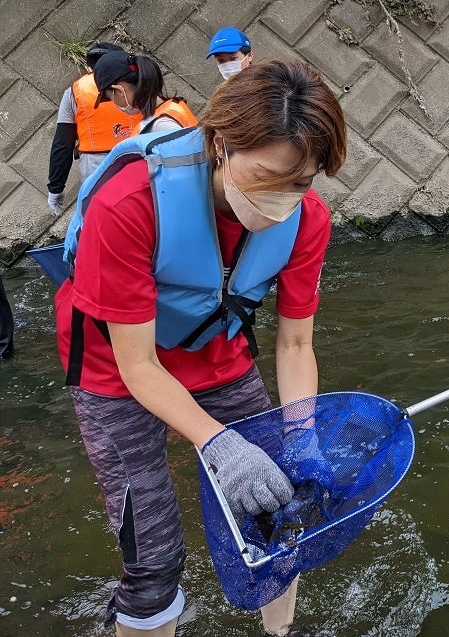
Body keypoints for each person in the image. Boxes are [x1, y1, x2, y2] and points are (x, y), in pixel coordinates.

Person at [56, 59, 348, 636]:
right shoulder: (129, 203)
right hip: (113, 369)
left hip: (218, 353)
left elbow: (294, 345)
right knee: (154, 558)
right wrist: (220, 446)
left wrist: (300, 428)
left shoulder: (307, 219)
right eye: (268, 176)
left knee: (279, 513)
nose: (283, 200)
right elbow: (137, 366)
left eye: (303, 181)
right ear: (221, 145)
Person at [46, 42, 144, 216]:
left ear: (89, 65)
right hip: (137, 160)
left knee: (99, 220)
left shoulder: (74, 92)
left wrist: (56, 188)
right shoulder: (138, 84)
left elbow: (63, 144)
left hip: (95, 169)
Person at [92, 51, 199, 135]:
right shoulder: (172, 107)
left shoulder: (160, 125)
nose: (114, 103)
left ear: (119, 91)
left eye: (111, 97)